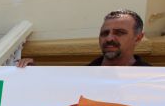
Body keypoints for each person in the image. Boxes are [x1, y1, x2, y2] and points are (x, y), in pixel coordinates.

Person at [17, 9, 150, 67]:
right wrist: (33, 74)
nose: (109, 38)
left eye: (119, 33)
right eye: (104, 33)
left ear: (138, 38)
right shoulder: (84, 74)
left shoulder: (153, 80)